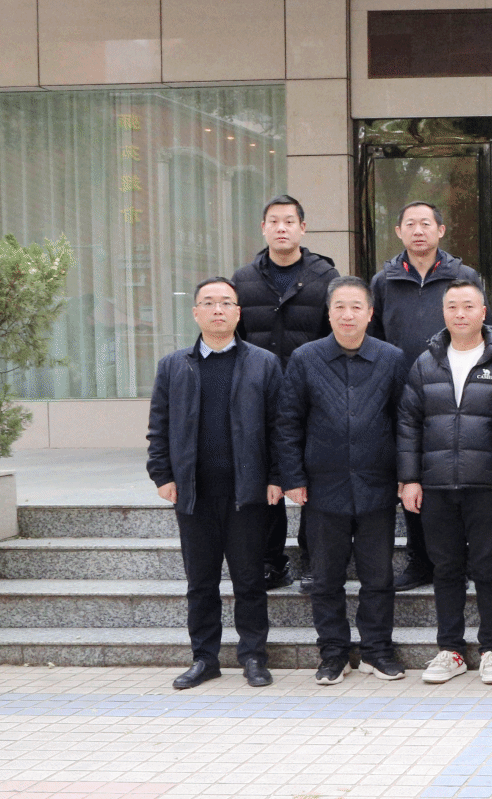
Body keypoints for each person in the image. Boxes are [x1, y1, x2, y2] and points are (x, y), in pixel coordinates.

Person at [147, 277, 284, 690]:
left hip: (248, 491)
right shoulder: (174, 366)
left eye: (226, 302)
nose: (218, 309)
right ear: (196, 313)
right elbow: (159, 426)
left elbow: (280, 427)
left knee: (249, 580)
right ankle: (204, 658)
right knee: (201, 582)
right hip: (194, 493)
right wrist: (162, 475)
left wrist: (277, 477)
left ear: (238, 312)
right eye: (208, 303)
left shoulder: (263, 363)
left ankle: (253, 656)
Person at [277, 276, 413, 685]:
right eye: (340, 306)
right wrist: (292, 477)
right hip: (323, 487)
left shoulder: (391, 358)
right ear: (329, 312)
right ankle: (333, 654)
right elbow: (288, 422)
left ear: (370, 314)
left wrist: (407, 476)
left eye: (356, 307)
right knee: (325, 578)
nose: (348, 315)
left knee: (378, 576)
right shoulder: (305, 358)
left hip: (377, 485)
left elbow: (405, 422)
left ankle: (377, 650)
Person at [397, 278, 492, 686]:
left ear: (483, 312)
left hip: (486, 485)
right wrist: (409, 478)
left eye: (469, 306)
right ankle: (450, 649)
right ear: (444, 313)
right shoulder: (426, 362)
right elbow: (408, 423)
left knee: (488, 569)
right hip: (435, 485)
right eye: (452, 306)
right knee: (446, 569)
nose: (460, 313)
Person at [231, 193, 339, 594]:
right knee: (265, 481)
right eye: (274, 221)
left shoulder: (325, 276)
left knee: (314, 481)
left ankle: (315, 562)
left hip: (313, 397)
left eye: (289, 221)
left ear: (302, 228)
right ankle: (271, 563)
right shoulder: (243, 279)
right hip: (258, 397)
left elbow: (335, 335)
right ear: (263, 228)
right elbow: (235, 339)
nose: (281, 228)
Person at [371, 200, 478, 592]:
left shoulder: (463, 276)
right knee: (411, 478)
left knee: (457, 478)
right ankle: (419, 561)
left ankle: (460, 559)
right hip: (402, 395)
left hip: (455, 392)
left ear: (441, 230)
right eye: (410, 224)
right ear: (399, 231)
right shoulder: (383, 281)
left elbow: (478, 327)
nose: (418, 230)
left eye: (426, 223)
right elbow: (374, 337)